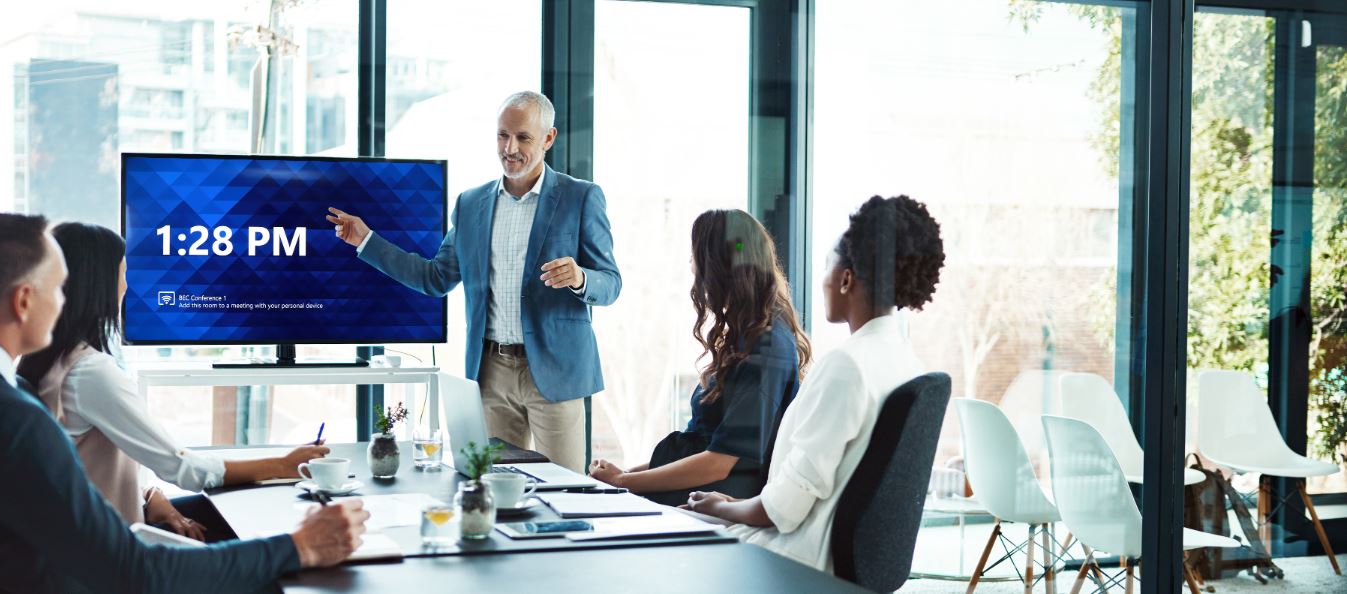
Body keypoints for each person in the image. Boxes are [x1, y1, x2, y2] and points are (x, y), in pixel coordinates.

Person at [0, 213, 368, 591]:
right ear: (25, 301)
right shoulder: (14, 419)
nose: (65, 302)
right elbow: (133, 575)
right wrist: (299, 547)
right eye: (59, 289)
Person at [325, 91, 621, 472]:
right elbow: (435, 278)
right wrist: (367, 240)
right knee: (494, 488)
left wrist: (581, 278)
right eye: (502, 135)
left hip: (556, 372)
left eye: (523, 138)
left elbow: (610, 282)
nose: (509, 148)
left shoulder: (581, 198)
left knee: (564, 490)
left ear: (548, 139)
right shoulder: (470, 204)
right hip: (490, 373)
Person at [16, 222, 330, 542]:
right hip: (115, 549)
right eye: (123, 274)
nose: (127, 286)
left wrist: (151, 495)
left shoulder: (49, 362)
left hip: (90, 532)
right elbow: (183, 469)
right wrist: (283, 465)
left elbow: (86, 466)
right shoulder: (90, 374)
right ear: (99, 284)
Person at [685, 195, 945, 571]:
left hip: (791, 557)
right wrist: (727, 507)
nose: (822, 279)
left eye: (826, 266)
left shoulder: (847, 365)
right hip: (827, 556)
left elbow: (782, 510)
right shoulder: (908, 363)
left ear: (845, 279)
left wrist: (723, 507)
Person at [586, 210, 810, 506]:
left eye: (696, 258)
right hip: (699, 490)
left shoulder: (766, 347)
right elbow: (701, 447)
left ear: (718, 268)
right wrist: (623, 475)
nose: (692, 266)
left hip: (714, 499)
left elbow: (718, 462)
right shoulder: (747, 336)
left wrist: (623, 482)